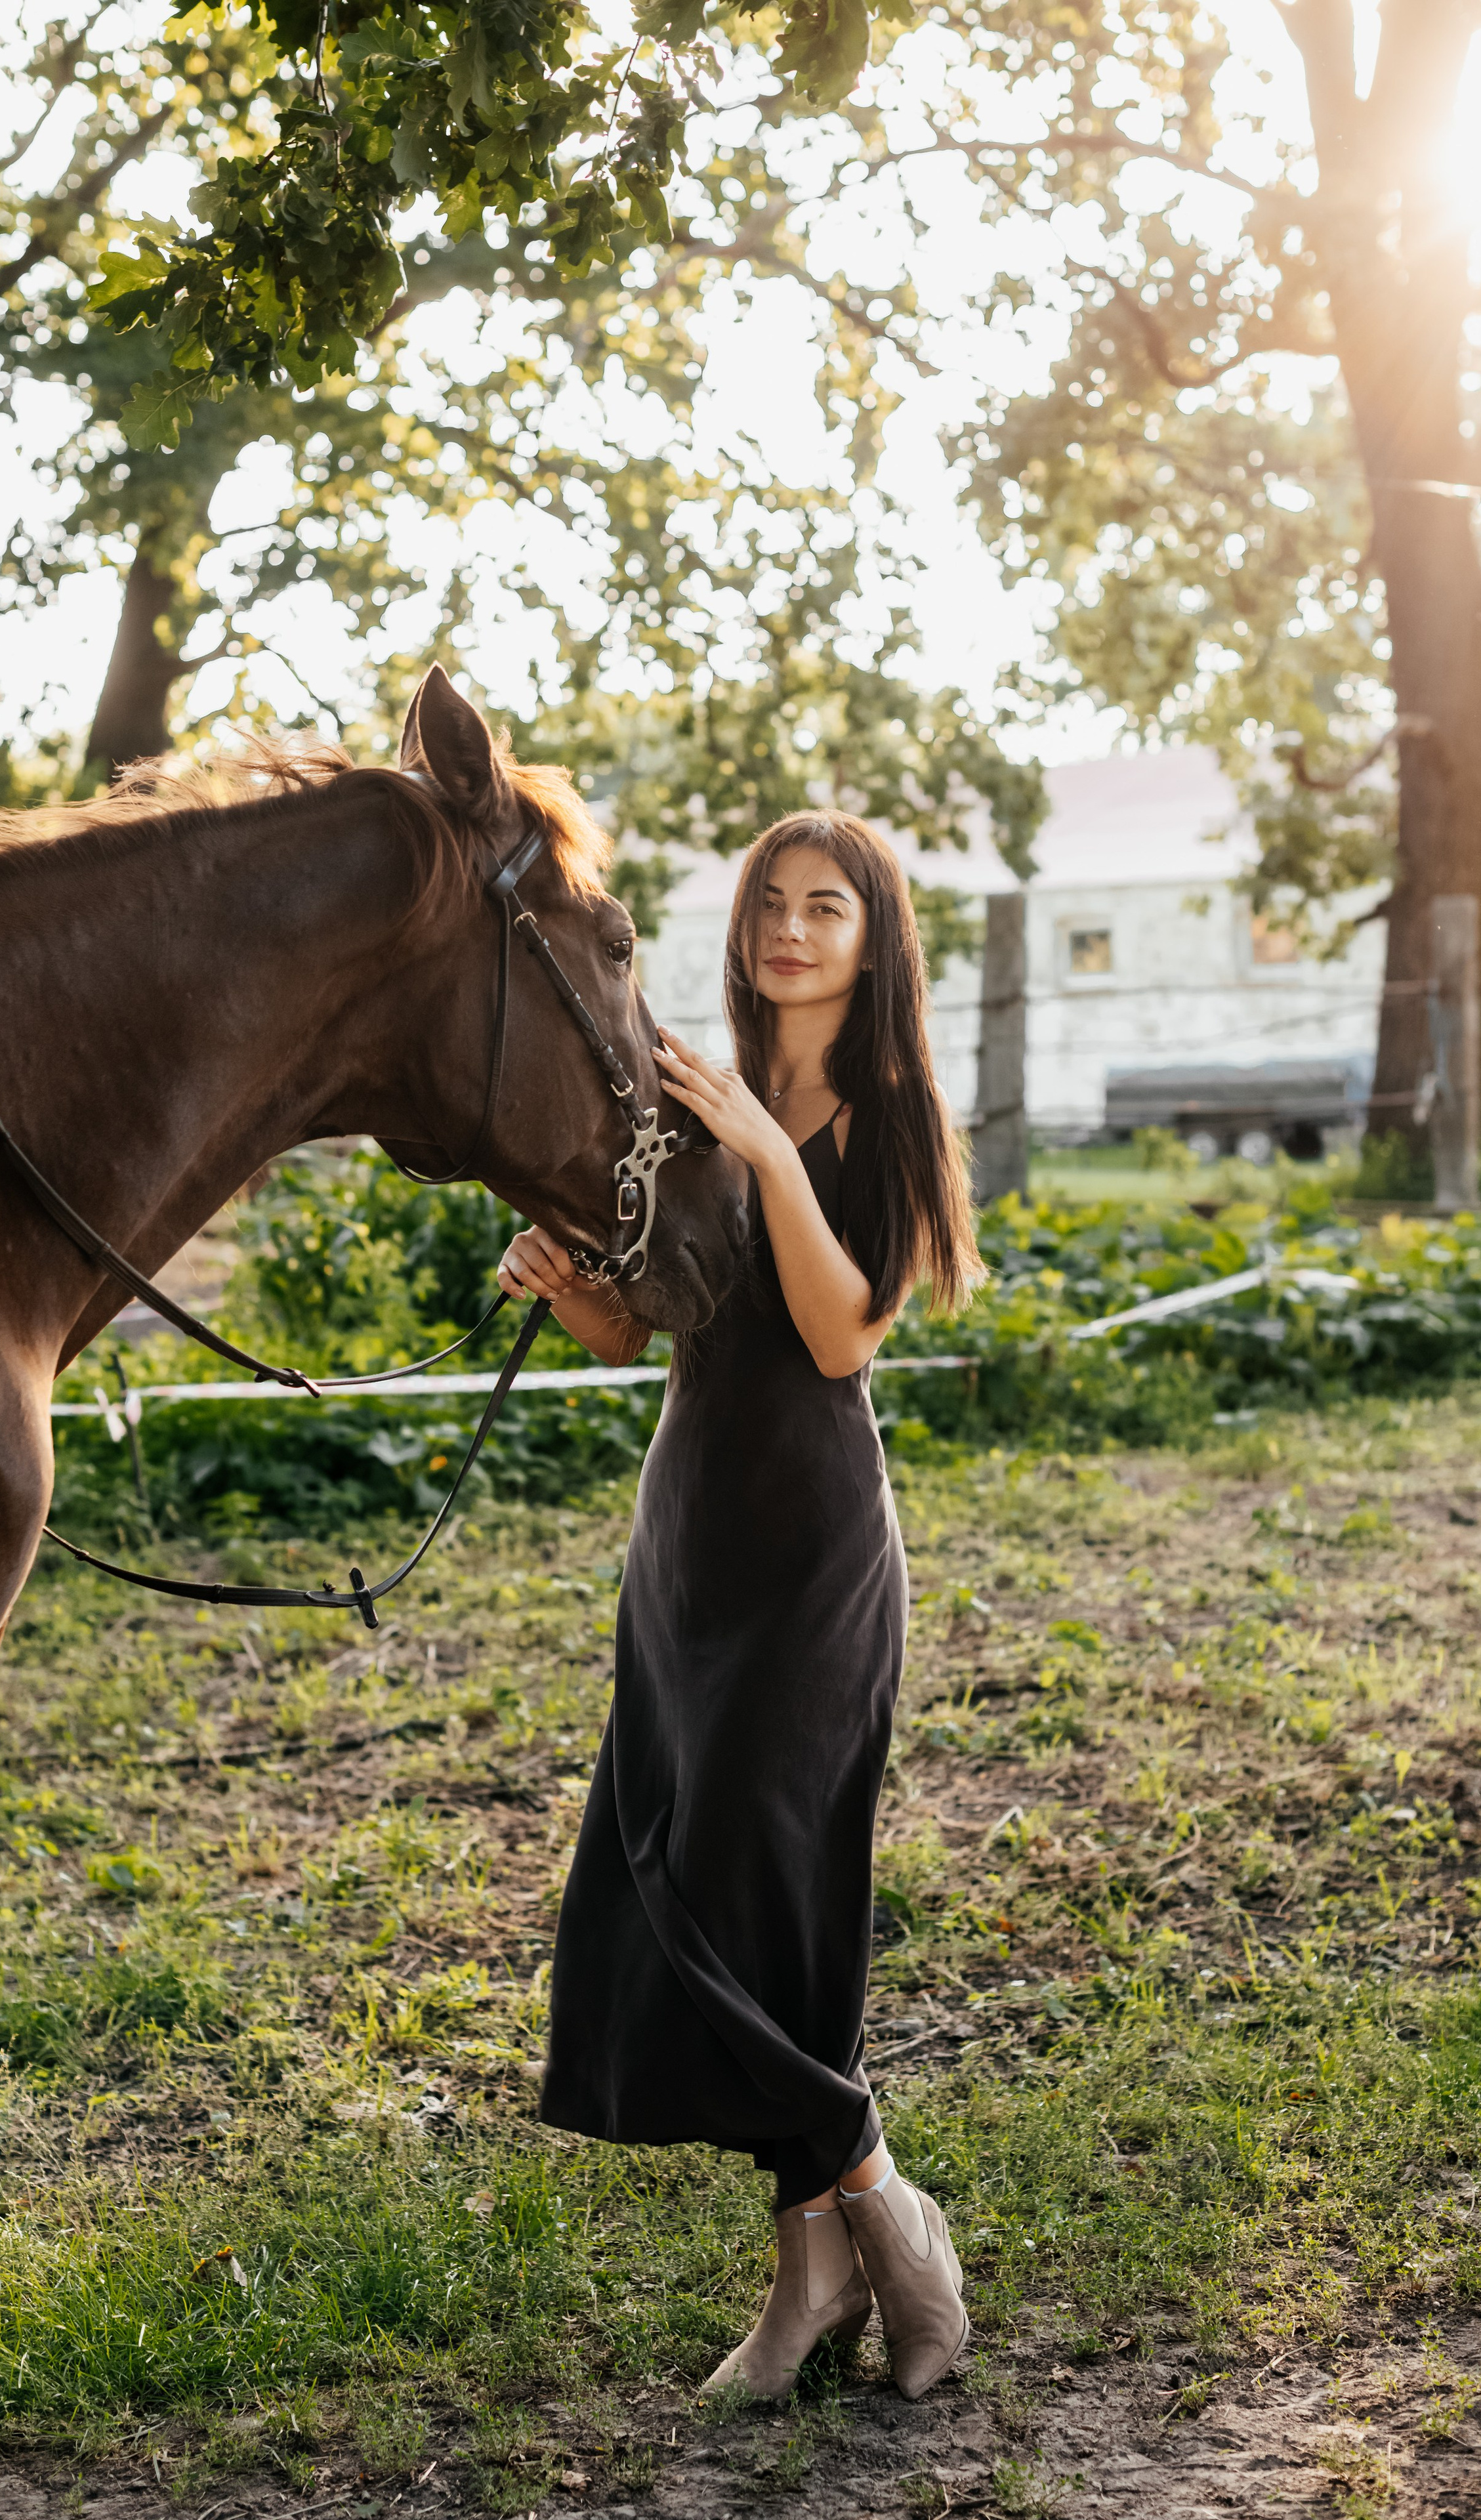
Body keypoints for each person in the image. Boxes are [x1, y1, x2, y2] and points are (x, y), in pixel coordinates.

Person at [495, 810, 980, 2403]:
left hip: (814, 1551)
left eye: (822, 906)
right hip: (688, 1532)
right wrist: (575, 1295)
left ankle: (873, 2220)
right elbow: (648, 1338)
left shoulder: (893, 1113)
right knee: (683, 1874)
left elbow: (841, 1334)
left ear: (871, 936)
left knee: (770, 1890)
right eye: (769, 902)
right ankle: (828, 2260)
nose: (786, 928)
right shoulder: (685, 1095)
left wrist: (771, 1151)